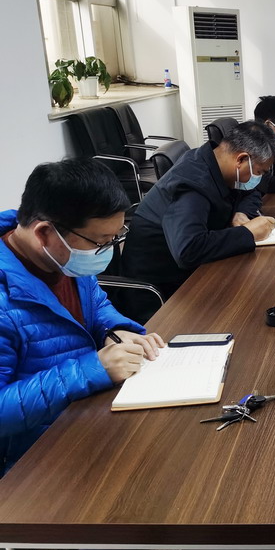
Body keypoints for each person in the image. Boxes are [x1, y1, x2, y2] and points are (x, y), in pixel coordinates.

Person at [0, 159, 164, 476]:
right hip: (35, 461)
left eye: (114, 238)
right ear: (44, 233)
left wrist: (114, 329)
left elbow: (94, 304)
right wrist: (93, 369)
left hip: (87, 416)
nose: (107, 251)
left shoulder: (61, 258)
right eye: (100, 242)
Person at [121, 121, 275, 313]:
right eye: (259, 172)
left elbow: (250, 193)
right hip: (161, 294)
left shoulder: (216, 162)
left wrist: (241, 213)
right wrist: (248, 233)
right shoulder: (192, 184)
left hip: (193, 274)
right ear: (241, 159)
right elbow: (188, 250)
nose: (258, 178)